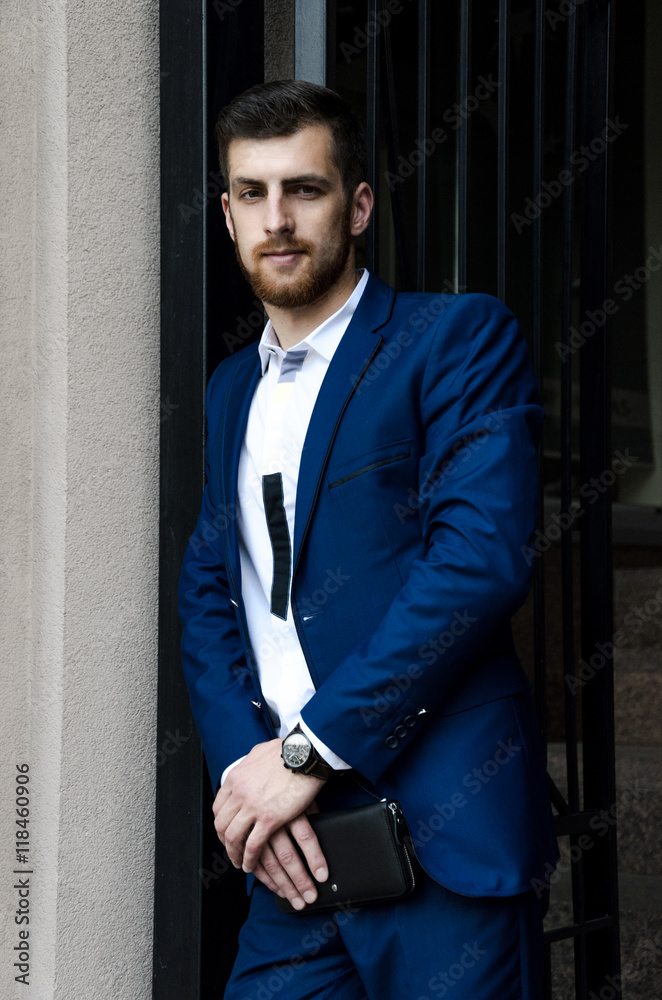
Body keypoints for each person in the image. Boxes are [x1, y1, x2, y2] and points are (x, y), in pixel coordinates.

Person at [178, 79, 559, 1000]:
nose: (279, 218)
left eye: (304, 190)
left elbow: (476, 563)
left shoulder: (454, 339)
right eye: (254, 194)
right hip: (295, 847)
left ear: (357, 206)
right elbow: (211, 587)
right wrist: (247, 774)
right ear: (226, 216)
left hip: (442, 831)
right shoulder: (233, 387)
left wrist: (307, 753)